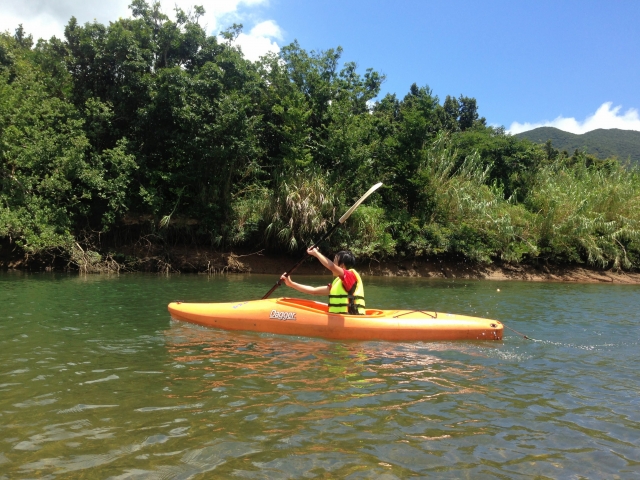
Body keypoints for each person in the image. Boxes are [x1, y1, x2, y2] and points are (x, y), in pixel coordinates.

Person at [280, 247, 366, 315]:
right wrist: (291, 284)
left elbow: (331, 266)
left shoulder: (350, 277)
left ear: (342, 266)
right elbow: (314, 291)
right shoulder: (338, 284)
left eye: (335, 261)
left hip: (351, 318)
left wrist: (316, 253)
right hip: (338, 317)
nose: (333, 263)